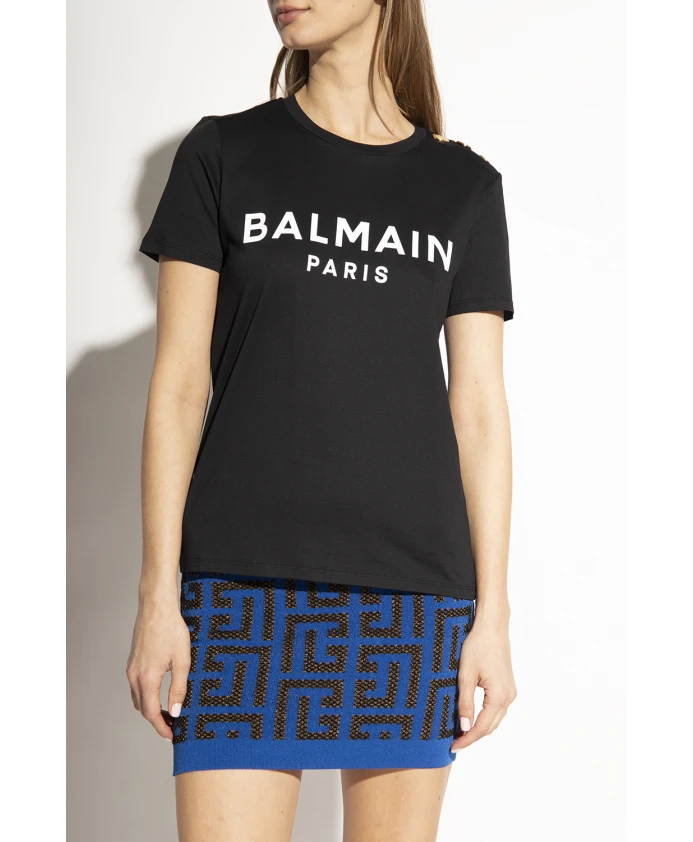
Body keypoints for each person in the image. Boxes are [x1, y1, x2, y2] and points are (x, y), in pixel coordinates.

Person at [127, 1, 517, 839]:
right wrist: (159, 594)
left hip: (410, 597)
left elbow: (479, 411)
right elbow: (179, 385)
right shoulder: (223, 153)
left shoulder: (463, 187)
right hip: (237, 589)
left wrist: (493, 616)